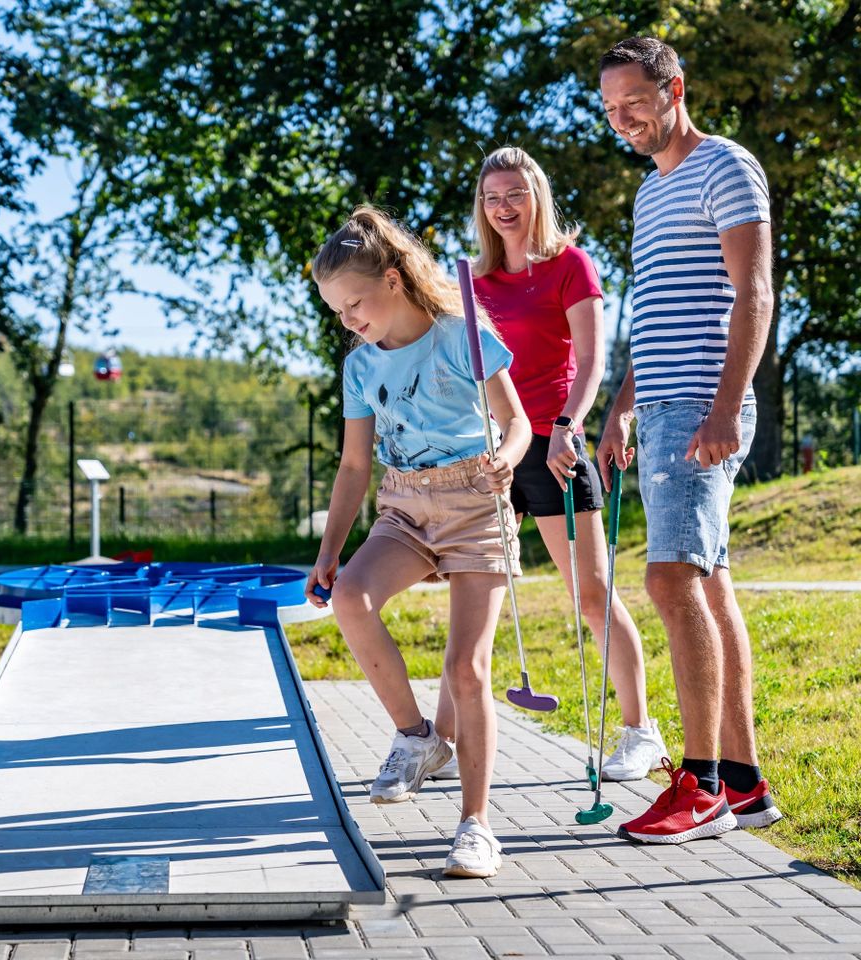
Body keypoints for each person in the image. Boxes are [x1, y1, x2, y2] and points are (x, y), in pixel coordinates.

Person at [426, 146, 665, 785]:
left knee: (591, 595)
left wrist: (566, 427)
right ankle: (440, 741)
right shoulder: (468, 284)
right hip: (489, 454)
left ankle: (640, 732)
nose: (504, 208)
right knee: (470, 603)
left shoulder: (570, 266)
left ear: (536, 196)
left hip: (554, 446)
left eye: (515, 194)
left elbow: (589, 363)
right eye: (492, 197)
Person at [304, 205, 530, 879]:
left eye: (355, 303)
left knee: (466, 671)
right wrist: (328, 551)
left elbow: (515, 422)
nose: (349, 320)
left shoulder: (463, 335)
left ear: (395, 280)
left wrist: (509, 459)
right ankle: (416, 739)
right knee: (349, 598)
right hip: (403, 503)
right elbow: (353, 468)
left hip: (474, 503)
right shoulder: (359, 367)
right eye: (337, 311)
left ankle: (476, 825)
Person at [597, 36, 781, 843]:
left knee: (671, 582)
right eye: (610, 108)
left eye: (635, 101)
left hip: (704, 409)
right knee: (707, 586)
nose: (623, 118)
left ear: (676, 88)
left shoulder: (727, 166)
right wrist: (621, 405)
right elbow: (659, 316)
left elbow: (755, 292)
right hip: (663, 405)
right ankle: (742, 783)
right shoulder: (649, 193)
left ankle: (698, 787)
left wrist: (726, 409)